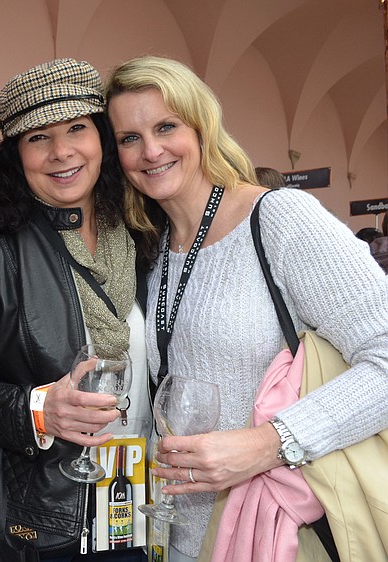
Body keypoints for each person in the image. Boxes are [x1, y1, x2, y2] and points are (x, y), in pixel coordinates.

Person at [105, 55, 388, 562]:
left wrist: (267, 444)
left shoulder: (278, 218)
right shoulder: (152, 244)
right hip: (176, 535)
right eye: (129, 138)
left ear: (202, 127)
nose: (151, 150)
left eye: (167, 126)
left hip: (275, 531)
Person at [0, 58, 152, 561]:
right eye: (37, 137)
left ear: (102, 140)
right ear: (15, 156)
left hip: (136, 507)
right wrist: (38, 410)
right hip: (40, 524)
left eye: (76, 129)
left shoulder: (140, 235)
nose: (61, 151)